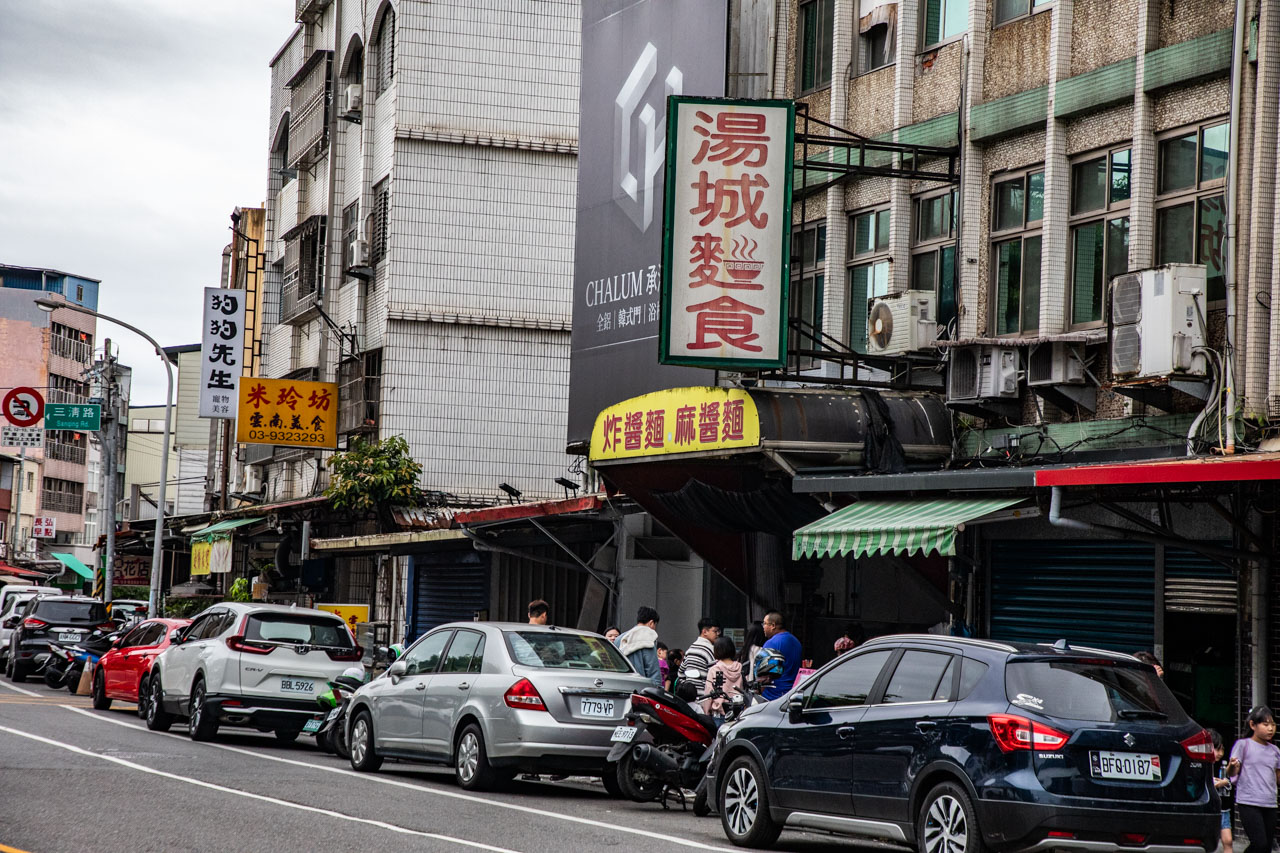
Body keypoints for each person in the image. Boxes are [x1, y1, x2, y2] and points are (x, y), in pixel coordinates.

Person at [1230, 705, 1280, 853]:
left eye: (1272, 724)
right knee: (1259, 843)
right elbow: (1232, 772)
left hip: (1270, 802)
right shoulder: (1243, 745)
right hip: (1249, 801)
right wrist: (1232, 766)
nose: (1270, 728)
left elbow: (1278, 779)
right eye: (1265, 724)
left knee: (1266, 847)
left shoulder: (1275, 751)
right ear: (1253, 725)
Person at [760, 611, 802, 700]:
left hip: (772, 696)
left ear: (773, 626)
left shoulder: (771, 643)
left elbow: (764, 676)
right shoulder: (796, 641)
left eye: (765, 623)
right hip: (792, 693)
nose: (763, 627)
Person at [617, 606, 662, 687]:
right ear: (651, 623)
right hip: (640, 688)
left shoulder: (619, 639)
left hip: (620, 686)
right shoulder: (648, 638)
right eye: (655, 625)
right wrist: (658, 688)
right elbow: (653, 671)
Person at [701, 636, 743, 720]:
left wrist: (706, 712)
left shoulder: (714, 669)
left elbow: (708, 693)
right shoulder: (740, 668)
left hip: (719, 714)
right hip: (738, 713)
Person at [1210, 729, 1234, 852]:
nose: (1220, 753)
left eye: (1222, 749)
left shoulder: (1223, 765)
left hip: (1223, 808)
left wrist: (1224, 782)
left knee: (1228, 841)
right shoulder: (1203, 764)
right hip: (1209, 809)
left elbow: (1230, 782)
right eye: (1217, 749)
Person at [680, 616, 722, 684]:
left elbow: (681, 673)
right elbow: (716, 675)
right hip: (705, 693)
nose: (717, 634)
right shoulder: (710, 650)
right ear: (705, 632)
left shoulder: (690, 649)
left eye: (718, 631)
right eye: (715, 631)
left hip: (689, 693)